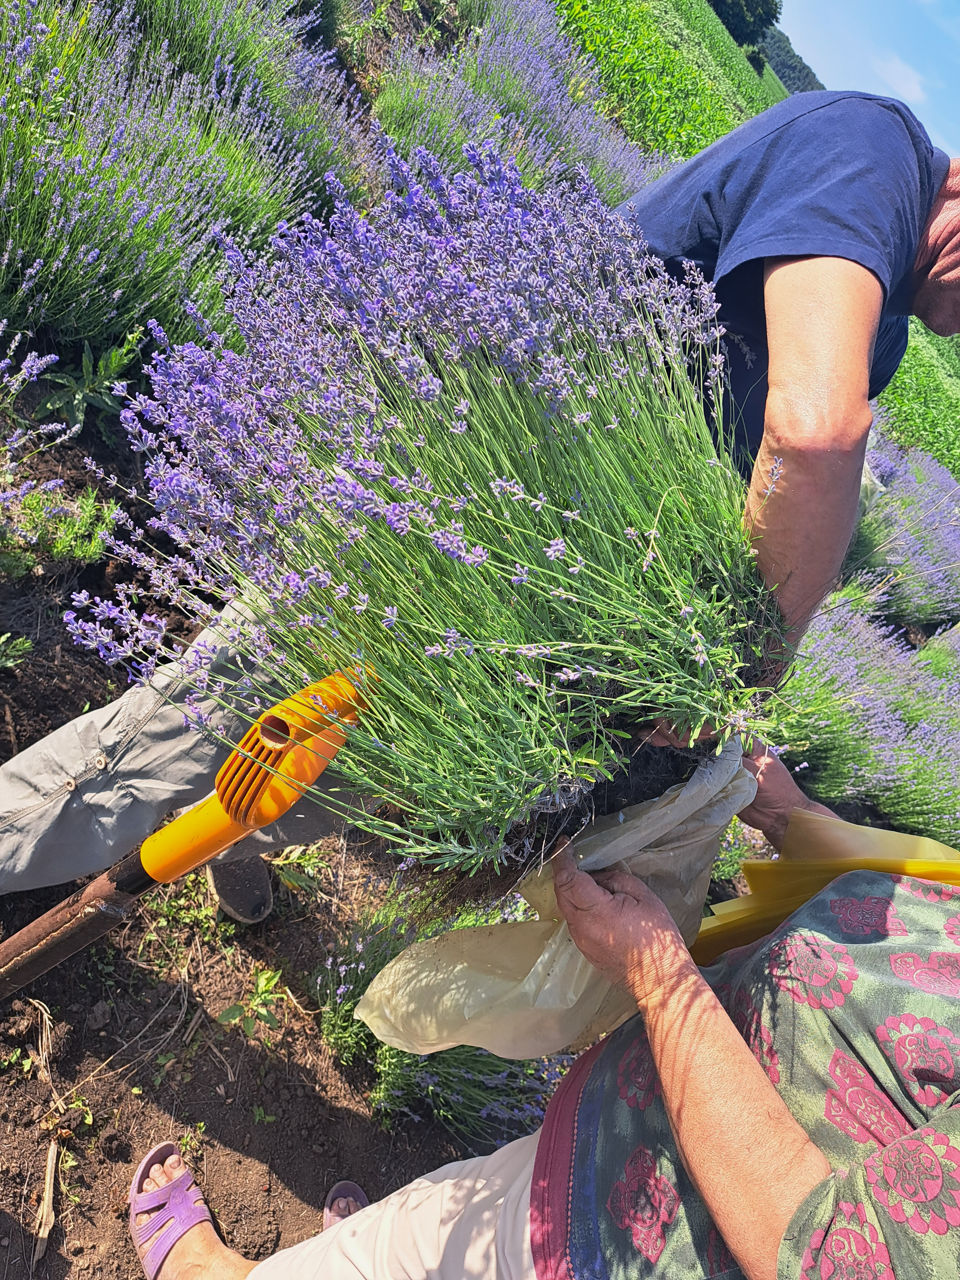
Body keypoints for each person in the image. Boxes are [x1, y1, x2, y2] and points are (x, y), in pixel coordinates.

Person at [5, 90, 960, 915]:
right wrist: (739, 677)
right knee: (175, 747)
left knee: (342, 770)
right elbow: (816, 435)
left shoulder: (887, 319)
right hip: (443, 535)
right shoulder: (869, 156)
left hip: (540, 586)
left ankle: (226, 838)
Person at [124, 747, 960, 1279]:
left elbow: (824, 1256)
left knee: (426, 1246)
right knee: (432, 1212)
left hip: (620, 1235)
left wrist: (660, 980)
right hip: (645, 1131)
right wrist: (791, 816)